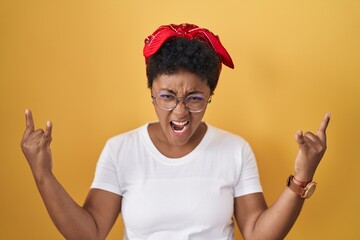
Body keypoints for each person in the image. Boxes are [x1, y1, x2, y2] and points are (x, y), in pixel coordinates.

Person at [21, 23, 330, 240]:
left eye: (195, 98)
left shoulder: (235, 150)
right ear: (151, 92)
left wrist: (301, 178)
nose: (180, 112)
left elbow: (258, 234)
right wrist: (43, 174)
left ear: (209, 95)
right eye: (167, 96)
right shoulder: (121, 150)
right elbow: (89, 232)